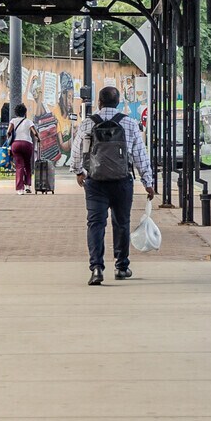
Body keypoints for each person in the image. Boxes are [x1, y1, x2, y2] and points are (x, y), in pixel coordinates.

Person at [68, 85, 156, 286]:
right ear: (118, 103)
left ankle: (97, 268)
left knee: (95, 224)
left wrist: (79, 172)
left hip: (95, 182)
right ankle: (121, 266)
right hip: (122, 182)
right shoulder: (130, 123)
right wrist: (147, 182)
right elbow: (140, 156)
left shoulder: (87, 124)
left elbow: (76, 152)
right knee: (121, 223)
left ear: (99, 102)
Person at [7, 103, 37, 193]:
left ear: (16, 112)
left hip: (16, 144)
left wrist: (9, 139)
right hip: (27, 144)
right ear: (25, 112)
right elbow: (34, 133)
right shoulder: (28, 121)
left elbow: (8, 131)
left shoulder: (13, 120)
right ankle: (28, 186)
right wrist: (38, 139)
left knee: (19, 166)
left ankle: (20, 189)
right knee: (27, 164)